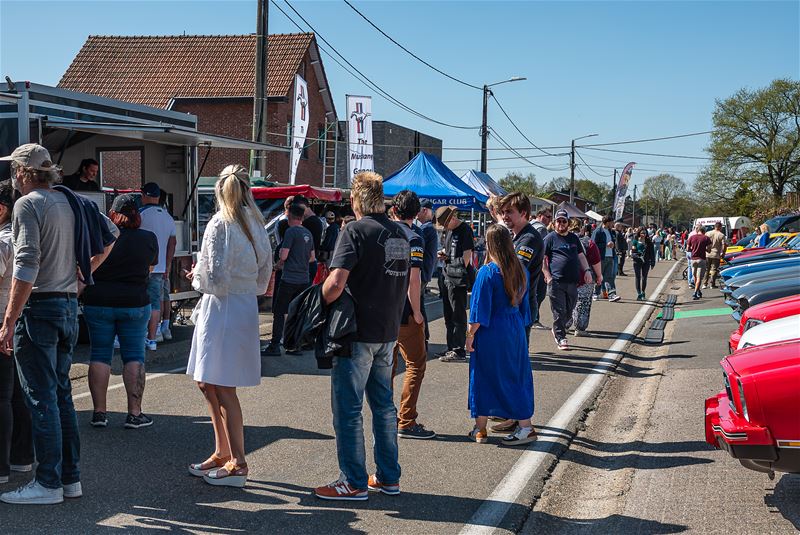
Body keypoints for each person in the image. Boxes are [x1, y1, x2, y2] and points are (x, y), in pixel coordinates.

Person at [0, 143, 117, 505]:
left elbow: (26, 263)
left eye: (14, 170)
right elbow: (112, 235)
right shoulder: (73, 200)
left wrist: (8, 319)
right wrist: (83, 277)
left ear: (22, 171)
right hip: (67, 305)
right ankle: (69, 479)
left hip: (39, 306)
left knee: (41, 399)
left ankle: (47, 482)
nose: (12, 177)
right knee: (60, 395)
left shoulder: (28, 204)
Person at [314, 171, 408, 501]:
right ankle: (388, 477)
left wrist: (318, 300)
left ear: (355, 200)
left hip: (356, 333)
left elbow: (336, 282)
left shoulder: (354, 231)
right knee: (383, 407)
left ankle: (352, 481)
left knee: (349, 409)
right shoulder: (401, 232)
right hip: (387, 332)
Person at [186, 165, 272, 488]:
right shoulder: (256, 224)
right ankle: (224, 451)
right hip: (242, 306)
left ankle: (239, 462)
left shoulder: (220, 224)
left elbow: (213, 278)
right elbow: (264, 277)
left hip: (221, 307)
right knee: (208, 381)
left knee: (220, 385)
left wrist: (195, 275)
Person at [82, 194, 158, 429]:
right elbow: (150, 268)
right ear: (138, 215)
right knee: (134, 355)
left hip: (98, 301)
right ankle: (134, 414)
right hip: (134, 303)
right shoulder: (148, 238)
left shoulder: (99, 237)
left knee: (100, 355)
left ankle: (99, 413)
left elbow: (87, 265)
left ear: (112, 214)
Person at [465, 225, 535, 446]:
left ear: (489, 244)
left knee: (483, 377)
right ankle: (523, 426)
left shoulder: (487, 272)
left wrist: (469, 336)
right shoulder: (521, 270)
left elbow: (478, 311)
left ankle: (481, 428)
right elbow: (525, 308)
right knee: (516, 375)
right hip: (514, 327)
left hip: (491, 330)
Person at [390, 190, 435, 440]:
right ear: (416, 212)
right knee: (416, 364)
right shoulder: (414, 238)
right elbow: (414, 279)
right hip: (405, 312)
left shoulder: (382, 233)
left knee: (386, 366)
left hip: (383, 311)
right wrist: (418, 312)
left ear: (394, 210)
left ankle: (386, 416)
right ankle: (406, 420)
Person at [0, 182, 33, 485]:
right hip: (16, 323)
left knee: (3, 398)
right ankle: (21, 459)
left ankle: (2, 467)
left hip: (2, 324)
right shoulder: (19, 237)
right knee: (15, 396)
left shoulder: (2, 241)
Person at [262, 204, 315, 357]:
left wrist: (278, 265)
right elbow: (312, 258)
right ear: (302, 217)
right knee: (297, 312)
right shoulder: (308, 233)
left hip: (289, 278)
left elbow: (284, 255)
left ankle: (274, 345)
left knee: (279, 311)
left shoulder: (291, 232)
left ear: (290, 216)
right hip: (303, 278)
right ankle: (295, 345)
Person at [542, 209, 593, 350]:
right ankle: (561, 337)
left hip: (572, 282)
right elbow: (542, 259)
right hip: (556, 282)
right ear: (554, 223)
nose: (561, 223)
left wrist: (587, 270)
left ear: (568, 223)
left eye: (564, 221)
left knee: (569, 312)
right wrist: (548, 276)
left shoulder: (574, 238)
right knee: (559, 311)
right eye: (558, 221)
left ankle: (557, 329)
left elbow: (581, 256)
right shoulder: (550, 238)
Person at [498, 192, 543, 344]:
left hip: (521, 305)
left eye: (509, 211)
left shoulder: (529, 238)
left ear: (523, 213)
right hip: (512, 304)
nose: (504, 216)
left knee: (516, 356)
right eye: (502, 212)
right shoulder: (515, 236)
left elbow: (515, 271)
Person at [138, 182, 176, 351]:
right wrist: (167, 265)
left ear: (144, 195)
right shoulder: (167, 217)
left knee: (141, 302)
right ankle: (157, 334)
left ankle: (145, 336)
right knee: (157, 302)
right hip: (160, 268)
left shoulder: (141, 215)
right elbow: (172, 244)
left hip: (142, 267)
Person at [436, 206, 474, 363]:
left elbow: (466, 258)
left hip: (458, 279)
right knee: (448, 315)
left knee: (458, 315)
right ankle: (451, 346)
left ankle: (459, 350)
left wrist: (450, 261)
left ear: (452, 219)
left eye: (446, 224)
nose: (445, 228)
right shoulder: (450, 230)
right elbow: (450, 251)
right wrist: (444, 256)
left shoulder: (465, 230)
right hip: (446, 276)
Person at [568, 223, 603, 335]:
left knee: (566, 302)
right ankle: (580, 328)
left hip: (565, 277)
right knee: (583, 302)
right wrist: (599, 276)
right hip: (585, 277)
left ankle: (564, 325)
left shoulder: (561, 240)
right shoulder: (588, 242)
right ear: (581, 229)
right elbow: (596, 260)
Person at [416, 200, 438, 344]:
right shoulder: (428, 228)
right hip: (425, 272)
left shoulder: (426, 229)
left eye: (418, 210)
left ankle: (422, 337)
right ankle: (423, 336)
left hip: (421, 272)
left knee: (416, 305)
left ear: (425, 210)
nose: (416, 214)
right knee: (420, 304)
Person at [530, 209, 551, 330]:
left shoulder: (528, 226)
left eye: (550, 217)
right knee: (539, 293)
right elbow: (545, 249)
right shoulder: (541, 229)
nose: (549, 219)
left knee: (534, 293)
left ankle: (533, 318)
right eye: (547, 216)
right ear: (539, 216)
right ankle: (534, 319)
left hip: (529, 265)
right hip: (539, 265)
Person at [591, 216, 620, 302]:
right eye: (612, 222)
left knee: (609, 277)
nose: (613, 224)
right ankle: (595, 293)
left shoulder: (611, 231)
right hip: (600, 257)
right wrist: (605, 245)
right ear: (607, 222)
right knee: (599, 276)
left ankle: (611, 295)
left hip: (610, 256)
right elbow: (593, 245)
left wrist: (612, 245)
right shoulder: (598, 231)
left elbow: (612, 242)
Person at [686, 223, 712, 300]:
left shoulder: (691, 237)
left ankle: (698, 291)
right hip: (701, 259)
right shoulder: (706, 238)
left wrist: (693, 249)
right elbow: (709, 250)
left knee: (694, 276)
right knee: (699, 278)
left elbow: (688, 249)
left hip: (693, 259)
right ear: (704, 231)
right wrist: (704, 249)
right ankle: (695, 293)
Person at [630, 228, 656, 300]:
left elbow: (652, 253)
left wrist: (653, 262)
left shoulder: (649, 242)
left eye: (645, 233)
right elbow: (632, 253)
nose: (643, 235)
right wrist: (637, 255)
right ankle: (639, 293)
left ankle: (643, 292)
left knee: (644, 278)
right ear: (639, 233)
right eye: (642, 233)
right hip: (637, 262)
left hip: (646, 262)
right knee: (637, 277)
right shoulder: (635, 241)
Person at [704, 222, 726, 289]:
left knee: (707, 269)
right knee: (714, 269)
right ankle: (712, 284)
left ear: (714, 226)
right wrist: (723, 253)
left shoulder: (708, 233)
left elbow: (704, 242)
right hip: (716, 254)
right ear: (720, 227)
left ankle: (705, 284)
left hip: (707, 253)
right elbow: (724, 245)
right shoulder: (721, 235)